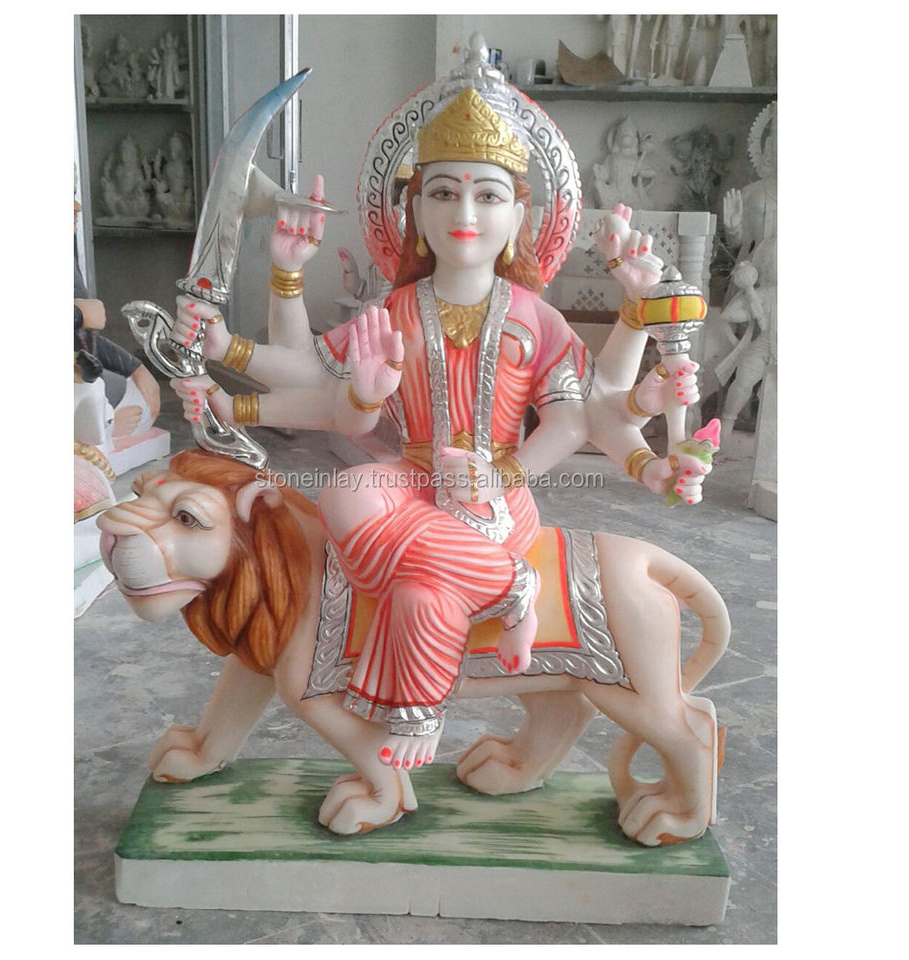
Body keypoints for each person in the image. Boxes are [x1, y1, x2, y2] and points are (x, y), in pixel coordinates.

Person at [169, 78, 703, 771]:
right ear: (415, 208)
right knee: (344, 493)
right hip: (412, 480)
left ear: (520, 214)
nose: (466, 213)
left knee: (421, 594)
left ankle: (426, 696)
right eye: (444, 193)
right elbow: (313, 374)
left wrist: (513, 473)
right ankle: (509, 586)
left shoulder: (535, 318)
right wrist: (239, 335)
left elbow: (577, 417)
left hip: (496, 497)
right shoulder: (396, 311)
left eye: (489, 196)